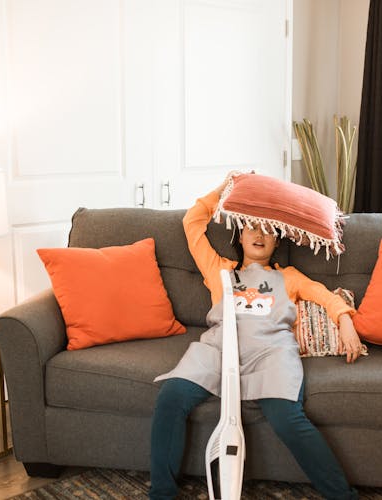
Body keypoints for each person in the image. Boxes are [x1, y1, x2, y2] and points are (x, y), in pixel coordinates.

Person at [149, 177, 363, 500]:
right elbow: (191, 223)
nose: (259, 234)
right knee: (170, 398)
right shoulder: (219, 271)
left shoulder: (288, 277)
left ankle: (343, 496)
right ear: (240, 234)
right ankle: (161, 495)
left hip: (271, 354)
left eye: (266, 230)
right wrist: (225, 187)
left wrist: (346, 320)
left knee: (287, 418)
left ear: (277, 242)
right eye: (251, 226)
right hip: (219, 351)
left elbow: (324, 297)